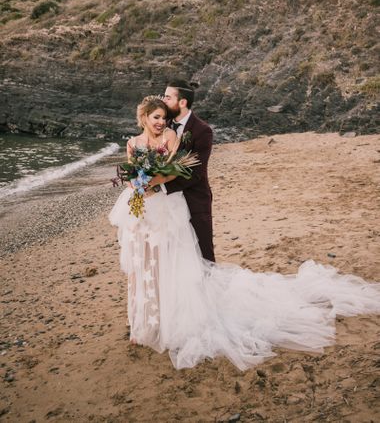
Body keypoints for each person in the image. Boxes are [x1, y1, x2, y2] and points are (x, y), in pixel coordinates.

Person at [109, 96, 380, 371]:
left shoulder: (170, 137)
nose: (161, 122)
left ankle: (167, 322)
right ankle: (142, 324)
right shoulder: (133, 143)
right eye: (155, 117)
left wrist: (153, 180)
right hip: (143, 208)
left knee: (168, 262)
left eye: (163, 117)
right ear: (143, 117)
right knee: (142, 264)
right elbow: (132, 173)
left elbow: (174, 170)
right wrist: (137, 185)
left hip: (166, 206)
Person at [148, 79, 215, 262]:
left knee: (203, 256)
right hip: (167, 205)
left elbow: (195, 173)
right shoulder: (163, 124)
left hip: (194, 200)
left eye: (168, 97)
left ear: (182, 102)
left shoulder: (203, 131)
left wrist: (158, 184)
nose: (164, 100)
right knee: (172, 256)